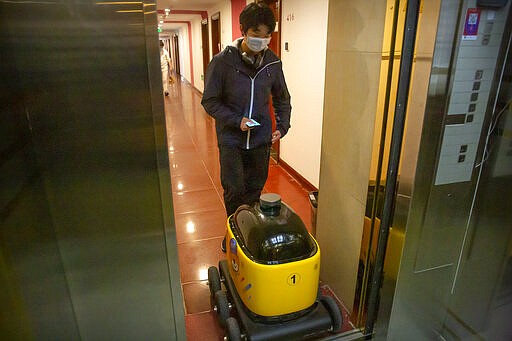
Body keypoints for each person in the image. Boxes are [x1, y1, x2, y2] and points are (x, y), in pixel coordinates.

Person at [201, 2, 291, 251]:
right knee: (234, 189)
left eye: (266, 36)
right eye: (255, 35)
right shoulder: (222, 62)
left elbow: (282, 98)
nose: (261, 41)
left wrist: (282, 127)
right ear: (243, 30)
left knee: (254, 189)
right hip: (231, 139)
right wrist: (235, 120)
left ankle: (248, 231)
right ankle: (233, 231)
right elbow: (209, 101)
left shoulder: (273, 63)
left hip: (260, 139)